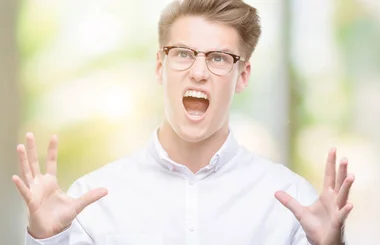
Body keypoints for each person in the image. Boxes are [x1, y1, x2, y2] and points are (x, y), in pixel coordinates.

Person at [11, 0, 355, 244]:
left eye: (219, 58)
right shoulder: (92, 201)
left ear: (242, 75)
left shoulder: (292, 201)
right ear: (160, 66)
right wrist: (46, 239)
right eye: (183, 54)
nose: (199, 72)